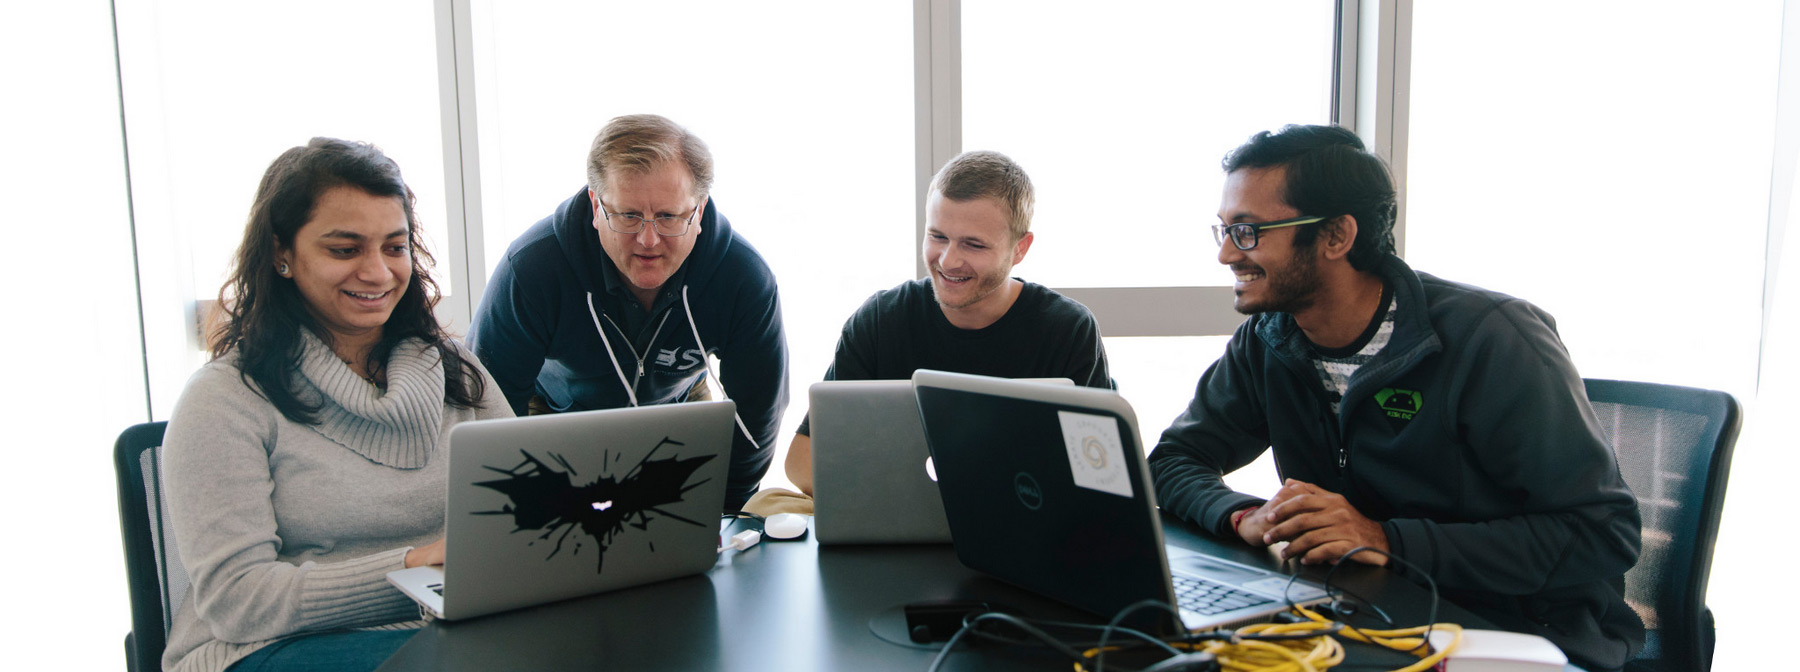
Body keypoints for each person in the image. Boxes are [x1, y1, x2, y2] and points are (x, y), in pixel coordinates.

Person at [1146, 125, 1643, 670]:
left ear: (1336, 236)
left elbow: (1602, 532)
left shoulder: (1493, 339)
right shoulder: (1270, 338)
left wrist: (1384, 540)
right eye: (1224, 229)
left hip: (1517, 629)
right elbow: (1173, 461)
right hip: (1366, 610)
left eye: (1248, 232)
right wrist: (1243, 515)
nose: (1225, 255)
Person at [161, 138, 511, 672]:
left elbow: (527, 512)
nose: (377, 272)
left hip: (452, 628)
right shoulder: (223, 399)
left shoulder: (455, 372)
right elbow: (238, 600)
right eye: (344, 250)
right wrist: (411, 568)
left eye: (395, 247)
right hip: (263, 648)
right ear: (282, 254)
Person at [468, 115, 786, 513]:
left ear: (699, 211)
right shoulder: (532, 270)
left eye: (669, 217)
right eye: (628, 216)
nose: (648, 240)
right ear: (595, 207)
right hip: (553, 415)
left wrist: (723, 511)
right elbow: (487, 405)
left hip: (679, 409)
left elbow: (758, 413)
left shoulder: (743, 278)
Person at [781, 150, 1114, 497]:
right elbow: (802, 462)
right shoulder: (881, 320)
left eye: (973, 244)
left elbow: (1102, 474)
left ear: (1020, 249)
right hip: (897, 526)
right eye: (938, 236)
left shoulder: (1067, 330)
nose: (948, 260)